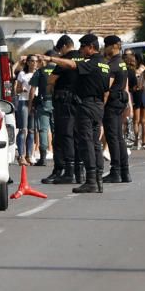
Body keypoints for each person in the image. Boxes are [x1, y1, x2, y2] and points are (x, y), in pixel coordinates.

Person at [50, 33, 109, 193]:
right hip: (98, 105)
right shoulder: (104, 63)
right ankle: (97, 179)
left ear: (91, 47)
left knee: (86, 142)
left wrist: (51, 59)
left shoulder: (91, 62)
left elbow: (72, 66)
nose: (81, 50)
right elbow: (106, 89)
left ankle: (91, 180)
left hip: (87, 105)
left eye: (83, 47)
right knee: (96, 143)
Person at [41, 35, 80, 184]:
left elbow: (51, 80)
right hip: (79, 102)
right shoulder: (82, 58)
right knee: (77, 136)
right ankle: (78, 170)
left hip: (64, 102)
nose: (59, 53)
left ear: (64, 46)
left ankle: (63, 170)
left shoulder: (64, 61)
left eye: (59, 50)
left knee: (62, 137)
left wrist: (50, 88)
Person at [102, 36, 131, 183]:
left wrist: (102, 104)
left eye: (106, 45)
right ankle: (124, 171)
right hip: (120, 101)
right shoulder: (122, 63)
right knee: (119, 137)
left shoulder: (112, 64)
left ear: (114, 46)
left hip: (112, 103)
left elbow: (106, 88)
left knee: (113, 137)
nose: (104, 47)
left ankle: (116, 171)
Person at [30, 50, 56, 167]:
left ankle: (43, 158)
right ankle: (59, 155)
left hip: (43, 102)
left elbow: (32, 90)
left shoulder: (40, 72)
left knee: (43, 130)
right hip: (57, 103)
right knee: (57, 130)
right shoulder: (58, 70)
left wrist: (30, 105)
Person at [14, 55, 37, 165]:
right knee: (23, 129)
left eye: (36, 61)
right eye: (32, 61)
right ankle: (21, 156)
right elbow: (17, 90)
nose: (34, 63)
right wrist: (21, 89)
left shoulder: (38, 73)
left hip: (35, 102)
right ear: (27, 62)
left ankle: (29, 155)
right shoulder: (22, 74)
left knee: (32, 130)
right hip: (24, 101)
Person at [126, 52, 143, 149]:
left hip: (123, 96)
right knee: (136, 120)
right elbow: (135, 86)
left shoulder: (123, 70)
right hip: (133, 96)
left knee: (126, 121)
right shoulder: (132, 72)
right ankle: (137, 140)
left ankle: (127, 139)